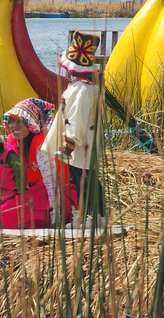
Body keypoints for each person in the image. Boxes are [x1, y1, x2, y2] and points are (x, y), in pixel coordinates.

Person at [42, 30, 106, 227]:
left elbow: (76, 119)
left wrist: (69, 144)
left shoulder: (81, 90)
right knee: (82, 179)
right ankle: (84, 217)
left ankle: (95, 217)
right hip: (87, 141)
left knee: (85, 180)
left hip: (82, 143)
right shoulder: (86, 87)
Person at [1, 98, 75, 228]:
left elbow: (51, 183)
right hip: (34, 192)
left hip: (57, 195)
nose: (14, 126)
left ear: (31, 124)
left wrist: (55, 218)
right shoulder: (13, 142)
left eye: (19, 121)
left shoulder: (41, 145)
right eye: (11, 121)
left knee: (7, 215)